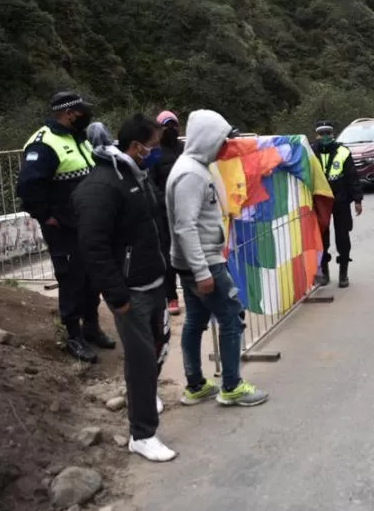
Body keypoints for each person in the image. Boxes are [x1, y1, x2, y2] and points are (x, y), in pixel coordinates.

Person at [73, 116, 176, 462]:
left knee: (155, 349)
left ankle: (144, 397)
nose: (156, 153)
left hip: (154, 280)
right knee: (141, 359)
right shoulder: (102, 186)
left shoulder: (134, 174)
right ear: (136, 147)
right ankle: (142, 434)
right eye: (153, 146)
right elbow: (93, 246)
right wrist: (117, 296)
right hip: (131, 292)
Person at [165, 109, 269, 408]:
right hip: (204, 263)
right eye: (222, 139)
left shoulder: (195, 167)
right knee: (232, 317)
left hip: (199, 262)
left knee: (196, 320)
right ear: (207, 139)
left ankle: (196, 384)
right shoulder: (189, 174)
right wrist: (201, 271)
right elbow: (185, 227)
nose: (226, 145)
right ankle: (232, 386)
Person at [16, 91, 114, 363]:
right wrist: (46, 215)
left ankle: (91, 327)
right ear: (70, 113)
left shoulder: (78, 138)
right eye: (82, 110)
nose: (87, 115)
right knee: (71, 279)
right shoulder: (43, 144)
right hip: (64, 228)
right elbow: (27, 186)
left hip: (87, 223)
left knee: (92, 277)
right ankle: (73, 335)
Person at [311, 121, 363, 288]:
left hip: (341, 201)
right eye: (322, 133)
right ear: (316, 135)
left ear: (333, 134)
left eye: (328, 133)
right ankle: (324, 273)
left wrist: (357, 200)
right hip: (320, 203)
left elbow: (352, 177)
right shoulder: (310, 153)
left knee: (342, 238)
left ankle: (343, 273)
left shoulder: (343, 152)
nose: (325, 136)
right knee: (322, 239)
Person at [150, 110, 185, 316]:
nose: (170, 129)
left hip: (187, 209)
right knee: (168, 255)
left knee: (190, 251)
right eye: (166, 126)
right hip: (165, 213)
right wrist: (165, 201)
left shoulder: (185, 149)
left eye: (173, 125)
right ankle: (171, 296)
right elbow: (152, 183)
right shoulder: (155, 153)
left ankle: (194, 293)